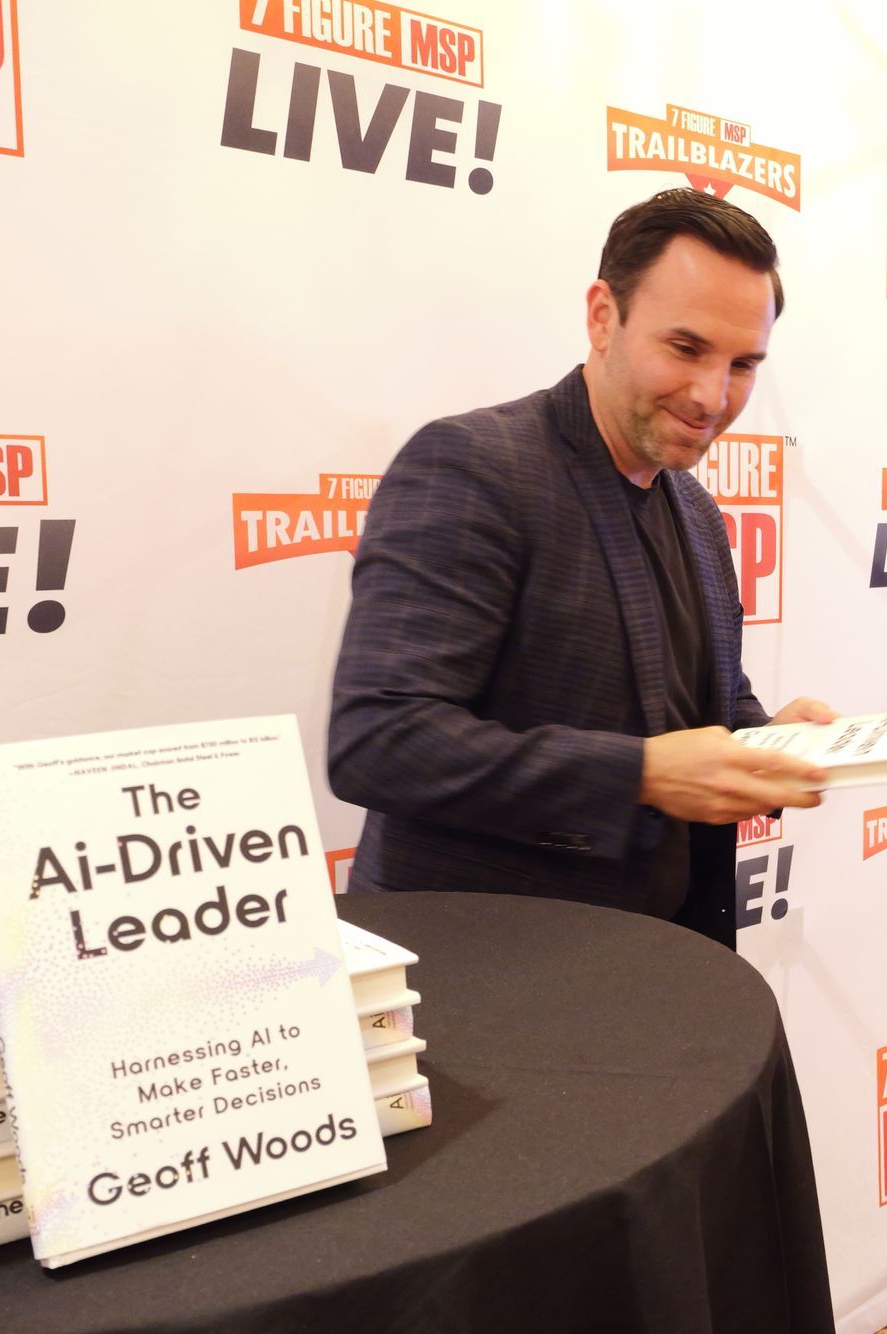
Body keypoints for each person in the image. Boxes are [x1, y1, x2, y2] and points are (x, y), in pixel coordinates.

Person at [329, 189, 834, 948]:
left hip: (659, 966)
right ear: (603, 317)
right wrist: (641, 774)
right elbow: (379, 740)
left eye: (743, 364)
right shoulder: (474, 466)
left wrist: (765, 743)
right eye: (686, 348)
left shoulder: (696, 513)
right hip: (477, 981)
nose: (712, 396)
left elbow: (694, 708)